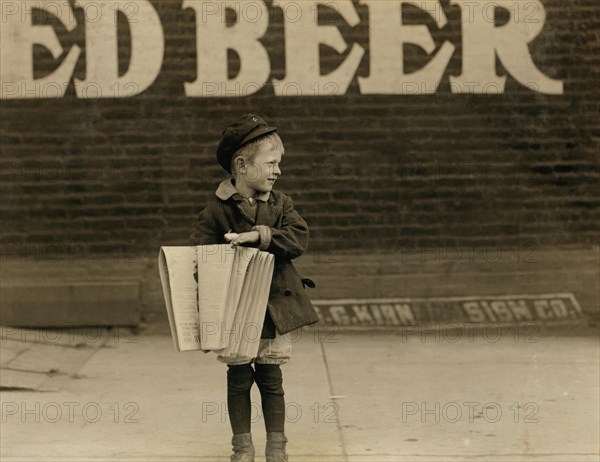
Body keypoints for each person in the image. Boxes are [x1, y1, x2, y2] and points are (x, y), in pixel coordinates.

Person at [188, 113, 319, 462]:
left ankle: (277, 447)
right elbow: (199, 261)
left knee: (272, 378)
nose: (278, 171)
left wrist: (259, 236)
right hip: (236, 309)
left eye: (280, 163)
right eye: (271, 163)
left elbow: (298, 238)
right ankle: (242, 448)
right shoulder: (215, 212)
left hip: (272, 307)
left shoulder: (280, 205)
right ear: (243, 166)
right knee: (239, 377)